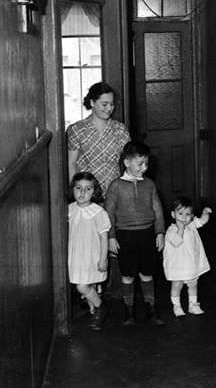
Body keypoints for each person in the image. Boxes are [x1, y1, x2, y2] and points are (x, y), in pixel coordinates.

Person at [104, 141, 165, 326]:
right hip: (126, 236)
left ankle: (150, 308)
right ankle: (129, 311)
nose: (144, 168)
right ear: (126, 162)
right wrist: (111, 236)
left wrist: (160, 232)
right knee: (128, 274)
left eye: (146, 163)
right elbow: (108, 213)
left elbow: (158, 210)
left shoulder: (150, 185)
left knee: (147, 273)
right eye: (140, 164)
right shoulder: (116, 186)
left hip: (147, 235)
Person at [67, 82, 131, 196]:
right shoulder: (77, 130)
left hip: (115, 193)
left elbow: (130, 161)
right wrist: (75, 193)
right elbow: (71, 164)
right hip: (87, 194)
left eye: (112, 104)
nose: (109, 108)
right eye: (104, 104)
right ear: (92, 102)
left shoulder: (120, 129)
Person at [68, 172, 110, 331]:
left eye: (87, 189)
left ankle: (101, 307)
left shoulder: (98, 212)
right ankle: (94, 309)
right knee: (81, 283)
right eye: (78, 188)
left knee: (82, 286)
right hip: (75, 255)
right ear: (73, 189)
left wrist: (103, 259)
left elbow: (104, 238)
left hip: (91, 256)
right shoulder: (69, 209)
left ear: (94, 191)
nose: (82, 193)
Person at [163, 197, 212, 317]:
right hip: (178, 265)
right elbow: (176, 242)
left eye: (188, 214)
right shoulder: (171, 230)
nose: (184, 217)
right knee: (177, 286)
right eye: (180, 213)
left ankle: (193, 304)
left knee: (193, 284)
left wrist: (205, 212)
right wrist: (180, 229)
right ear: (173, 214)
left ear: (192, 216)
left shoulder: (192, 225)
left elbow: (203, 221)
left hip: (191, 264)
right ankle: (177, 305)